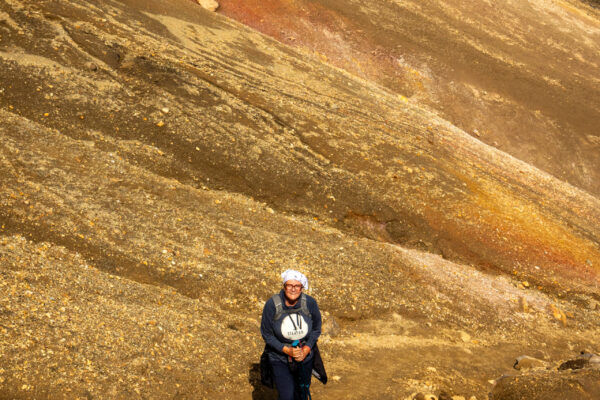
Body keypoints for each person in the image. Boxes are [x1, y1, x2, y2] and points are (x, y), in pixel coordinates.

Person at [261, 270, 322, 400]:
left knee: (301, 394)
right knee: (286, 396)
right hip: (279, 358)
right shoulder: (272, 305)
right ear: (284, 287)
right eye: (289, 285)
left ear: (302, 287)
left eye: (297, 286)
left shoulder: (310, 303)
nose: (293, 289)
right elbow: (266, 334)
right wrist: (287, 350)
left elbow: (316, 329)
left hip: (305, 357)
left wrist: (306, 350)